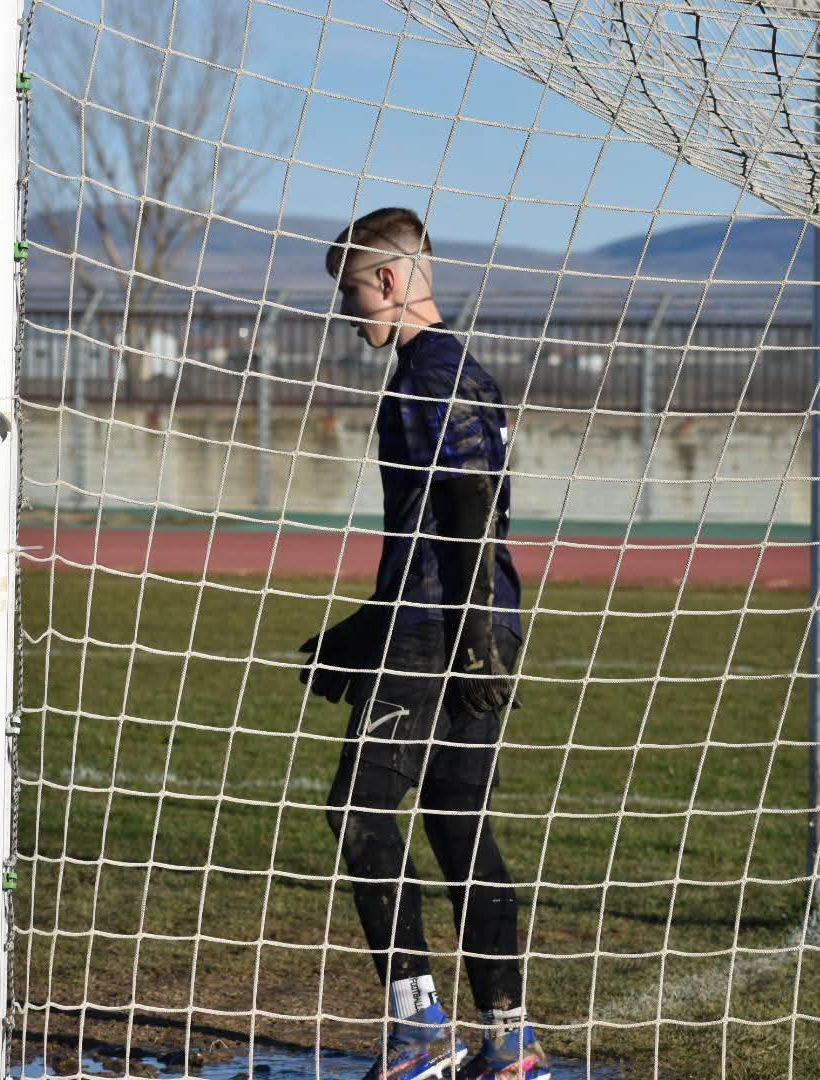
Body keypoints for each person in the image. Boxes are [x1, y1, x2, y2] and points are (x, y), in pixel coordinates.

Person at [300, 207, 549, 1080]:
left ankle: (420, 1034)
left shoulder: (427, 375)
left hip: (444, 629)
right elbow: (437, 526)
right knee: (456, 821)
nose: (346, 312)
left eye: (350, 292)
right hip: (471, 621)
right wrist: (367, 626)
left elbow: (469, 501)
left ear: (390, 281)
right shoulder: (462, 367)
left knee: (359, 810)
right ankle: (509, 1041)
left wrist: (465, 637)